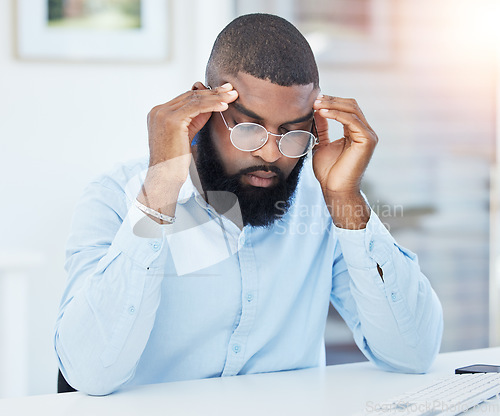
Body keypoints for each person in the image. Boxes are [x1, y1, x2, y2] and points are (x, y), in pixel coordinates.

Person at [54, 13, 443, 396]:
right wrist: (161, 188)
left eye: (293, 133)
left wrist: (346, 200)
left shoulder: (321, 203)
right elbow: (90, 374)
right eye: (249, 129)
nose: (272, 154)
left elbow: (413, 354)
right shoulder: (115, 196)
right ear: (203, 110)